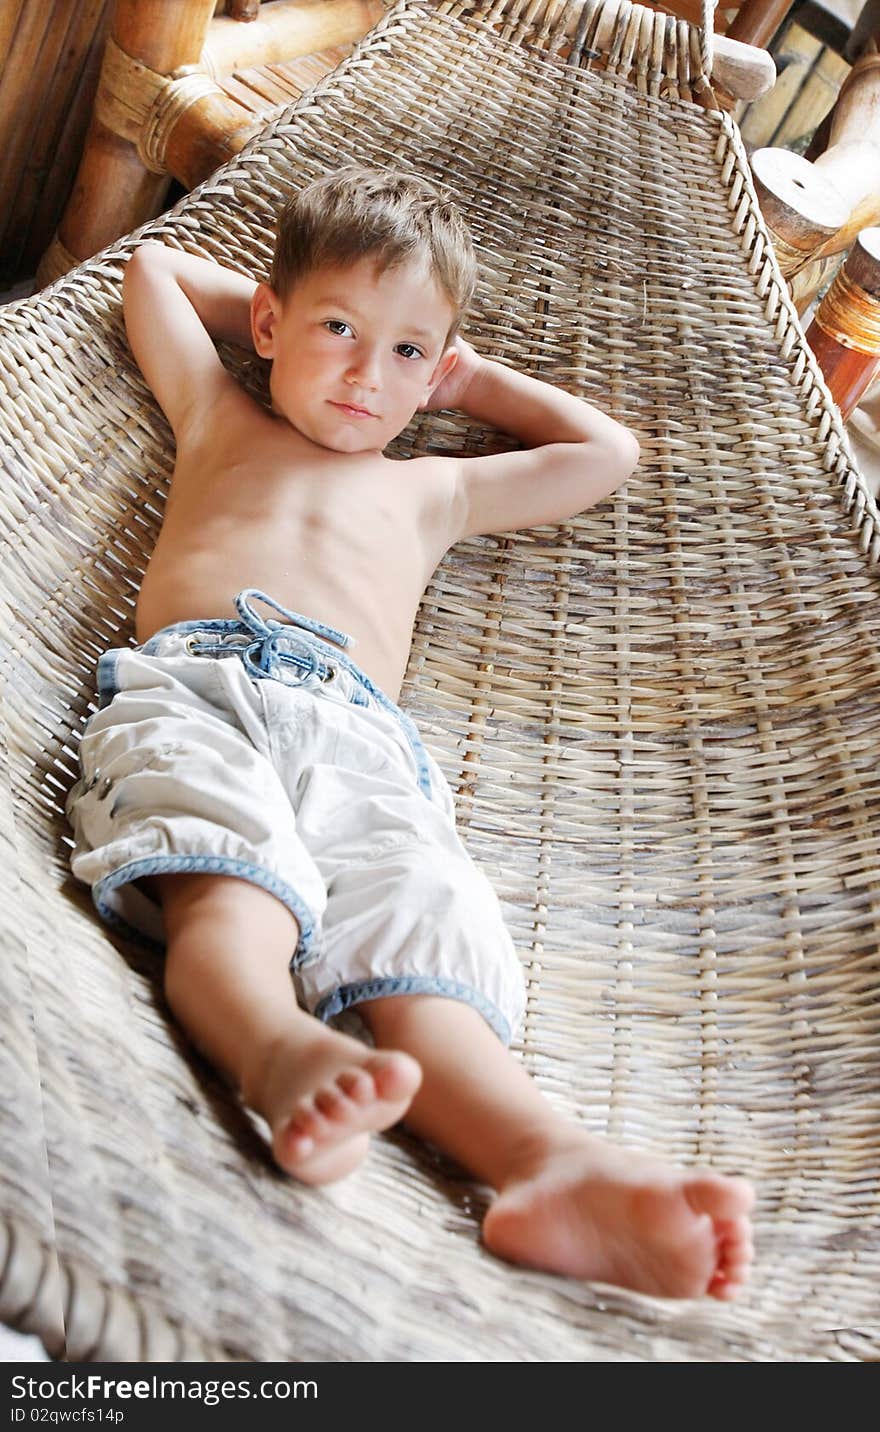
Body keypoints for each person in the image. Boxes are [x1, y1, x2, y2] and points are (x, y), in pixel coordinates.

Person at [67, 165, 754, 1300]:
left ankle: (546, 1163)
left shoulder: (431, 489)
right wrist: (289, 322)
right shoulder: (219, 414)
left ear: (432, 372)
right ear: (278, 324)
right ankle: (278, 1050)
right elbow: (153, 272)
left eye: (401, 354)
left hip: (360, 738)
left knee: (419, 911)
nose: (359, 372)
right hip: (200, 689)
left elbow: (606, 454)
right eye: (336, 328)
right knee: (229, 884)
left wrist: (463, 379)